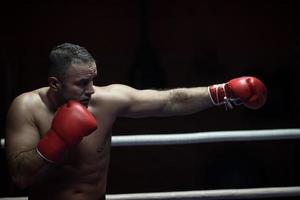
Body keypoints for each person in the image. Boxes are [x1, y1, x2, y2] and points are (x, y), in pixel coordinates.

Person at [5, 43, 267, 200]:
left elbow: (169, 101)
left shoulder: (106, 101)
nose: (92, 90)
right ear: (54, 84)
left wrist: (223, 92)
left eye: (93, 80)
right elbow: (20, 177)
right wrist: (57, 139)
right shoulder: (26, 107)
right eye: (82, 83)